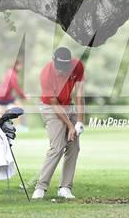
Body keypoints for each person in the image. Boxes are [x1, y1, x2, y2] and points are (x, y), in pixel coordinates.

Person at [32, 47, 85, 199]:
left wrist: (79, 121)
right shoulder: (46, 74)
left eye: (65, 68)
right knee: (57, 146)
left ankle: (65, 188)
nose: (62, 72)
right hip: (50, 107)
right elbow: (54, 104)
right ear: (53, 61)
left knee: (74, 146)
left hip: (69, 106)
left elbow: (80, 94)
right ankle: (40, 187)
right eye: (59, 68)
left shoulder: (78, 66)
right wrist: (69, 126)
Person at [0, 59, 28, 131]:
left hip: (1, 95)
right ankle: (17, 126)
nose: (21, 67)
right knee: (20, 108)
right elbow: (15, 86)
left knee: (1, 112)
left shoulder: (9, 71)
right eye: (20, 65)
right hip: (5, 96)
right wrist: (23, 96)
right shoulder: (12, 73)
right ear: (17, 65)